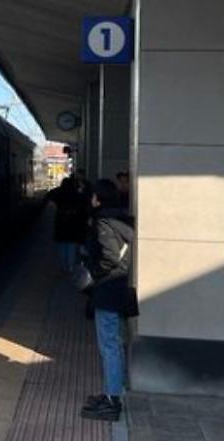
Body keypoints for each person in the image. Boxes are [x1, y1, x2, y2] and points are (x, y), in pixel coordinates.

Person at [80, 179, 138, 422]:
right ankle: (112, 393)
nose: (91, 199)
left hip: (107, 291)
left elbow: (110, 259)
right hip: (119, 289)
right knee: (114, 343)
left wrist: (92, 274)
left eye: (93, 196)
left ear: (99, 198)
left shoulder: (104, 223)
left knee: (109, 346)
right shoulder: (122, 220)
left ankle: (112, 401)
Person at [49, 176, 86, 273]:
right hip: (74, 225)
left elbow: (50, 194)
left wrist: (60, 188)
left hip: (61, 223)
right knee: (72, 247)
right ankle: (70, 267)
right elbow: (84, 208)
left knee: (62, 247)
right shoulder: (78, 195)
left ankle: (63, 266)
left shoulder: (59, 194)